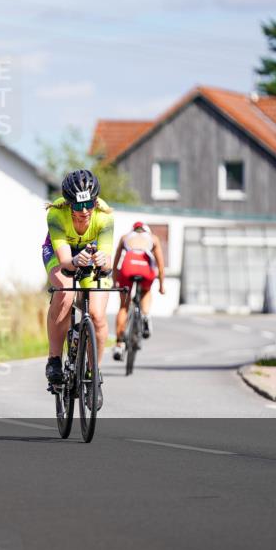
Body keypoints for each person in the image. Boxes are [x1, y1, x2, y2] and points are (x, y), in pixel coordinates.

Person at [42, 169, 114, 410]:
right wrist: (74, 262)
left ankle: (94, 374)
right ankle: (54, 359)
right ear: (68, 203)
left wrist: (103, 261)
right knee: (65, 291)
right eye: (78, 205)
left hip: (91, 256)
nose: (84, 211)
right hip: (60, 254)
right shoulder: (56, 214)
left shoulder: (104, 216)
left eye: (89, 204)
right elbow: (65, 261)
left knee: (97, 315)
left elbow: (108, 260)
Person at [112, 221, 166, 359]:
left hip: (127, 268)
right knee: (146, 291)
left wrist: (114, 281)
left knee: (123, 307)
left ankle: (119, 345)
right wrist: (161, 286)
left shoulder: (125, 237)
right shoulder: (153, 238)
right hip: (145, 270)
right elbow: (160, 265)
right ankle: (145, 315)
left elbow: (116, 262)